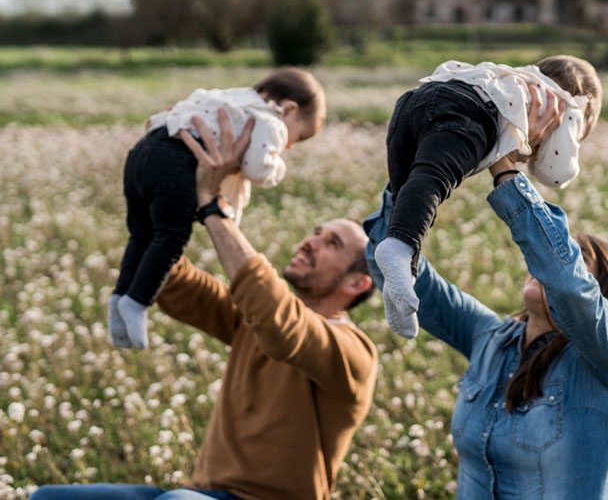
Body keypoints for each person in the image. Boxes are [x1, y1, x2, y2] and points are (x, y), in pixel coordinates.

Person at [33, 112, 377, 500]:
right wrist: (165, 170)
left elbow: (283, 326)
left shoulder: (353, 353)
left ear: (357, 283)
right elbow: (176, 285)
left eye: (332, 243)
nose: (309, 242)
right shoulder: (254, 317)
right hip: (202, 493)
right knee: (48, 497)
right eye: (316, 232)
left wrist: (214, 209)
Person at [364, 106, 608, 498]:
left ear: (602, 292)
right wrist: (416, 166)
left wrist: (506, 169)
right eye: (547, 255)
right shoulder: (490, 337)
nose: (542, 265)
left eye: (573, 260)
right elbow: (400, 276)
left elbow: (568, 288)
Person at [373, 56, 602, 339]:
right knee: (434, 179)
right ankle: (398, 250)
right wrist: (528, 149)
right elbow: (556, 172)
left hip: (414, 101)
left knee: (409, 195)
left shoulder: (506, 78)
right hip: (470, 112)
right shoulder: (562, 106)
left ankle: (402, 275)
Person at [110, 67, 326, 349]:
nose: (289, 146)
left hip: (143, 152)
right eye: (297, 138)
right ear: (288, 109)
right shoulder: (270, 121)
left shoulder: (229, 98)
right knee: (170, 238)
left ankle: (119, 299)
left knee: (141, 236)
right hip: (175, 162)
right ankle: (137, 301)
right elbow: (257, 167)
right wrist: (278, 168)